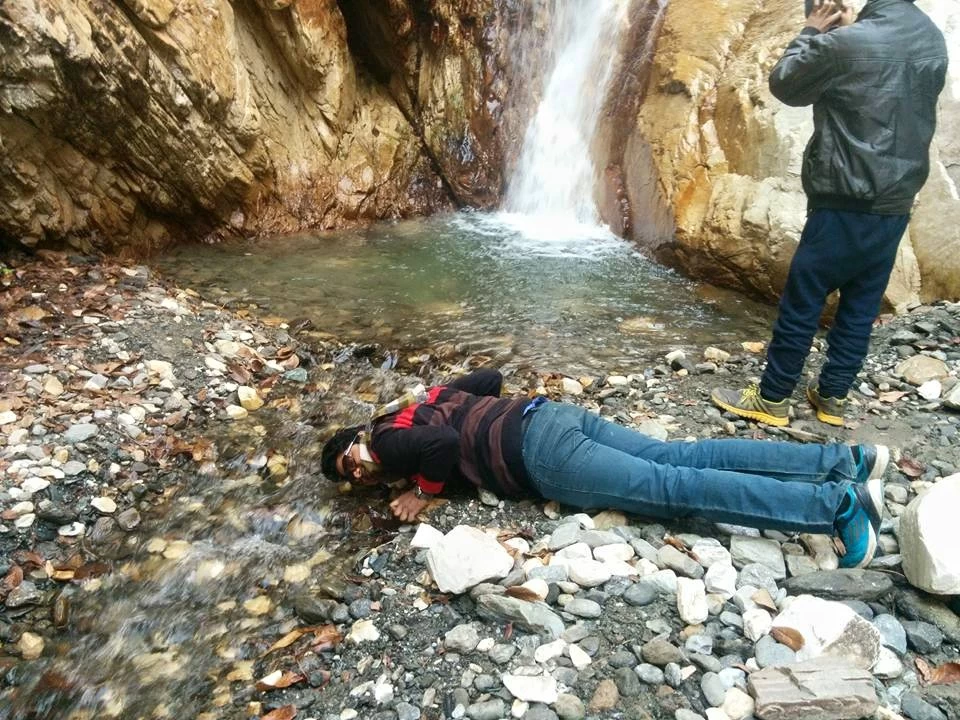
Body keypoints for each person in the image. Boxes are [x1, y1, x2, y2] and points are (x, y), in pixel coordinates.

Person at [322, 369, 890, 568]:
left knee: (674, 486)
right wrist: (479, 420)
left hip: (543, 456)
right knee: (681, 456)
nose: (359, 479)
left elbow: (442, 445)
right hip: (550, 417)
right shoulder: (415, 408)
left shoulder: (381, 444)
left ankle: (837, 509)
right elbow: (489, 379)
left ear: (351, 453)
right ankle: (844, 462)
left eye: (347, 472)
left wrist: (420, 494)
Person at [712, 0, 948, 427]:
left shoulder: (845, 42)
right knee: (860, 303)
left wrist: (812, 30)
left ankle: (772, 397)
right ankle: (833, 398)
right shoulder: (930, 36)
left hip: (844, 194)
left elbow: (786, 84)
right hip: (896, 197)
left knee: (804, 299)